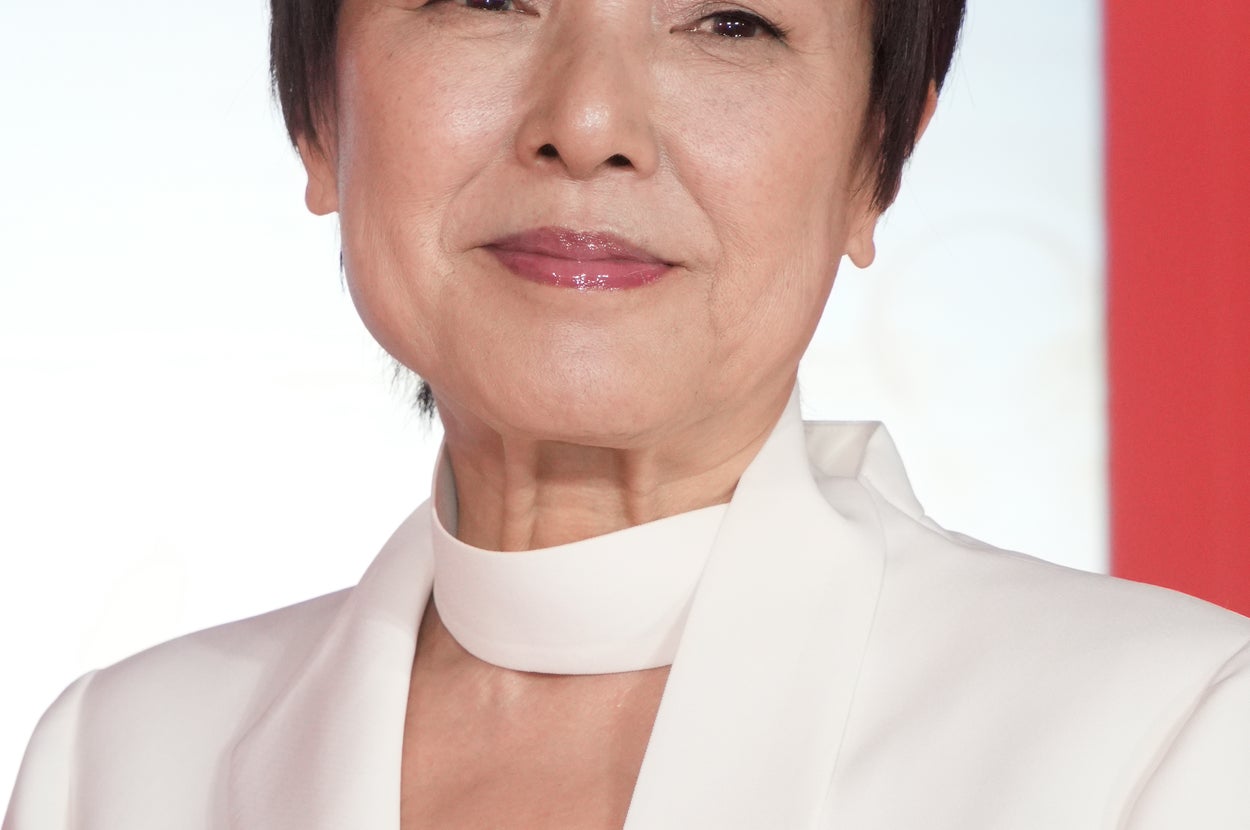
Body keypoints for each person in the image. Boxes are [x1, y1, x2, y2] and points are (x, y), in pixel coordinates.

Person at [5, 0, 1248, 828]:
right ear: (318, 112)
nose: (587, 125)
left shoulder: (1164, 738)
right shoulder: (112, 767)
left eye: (728, 21)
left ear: (877, 157)